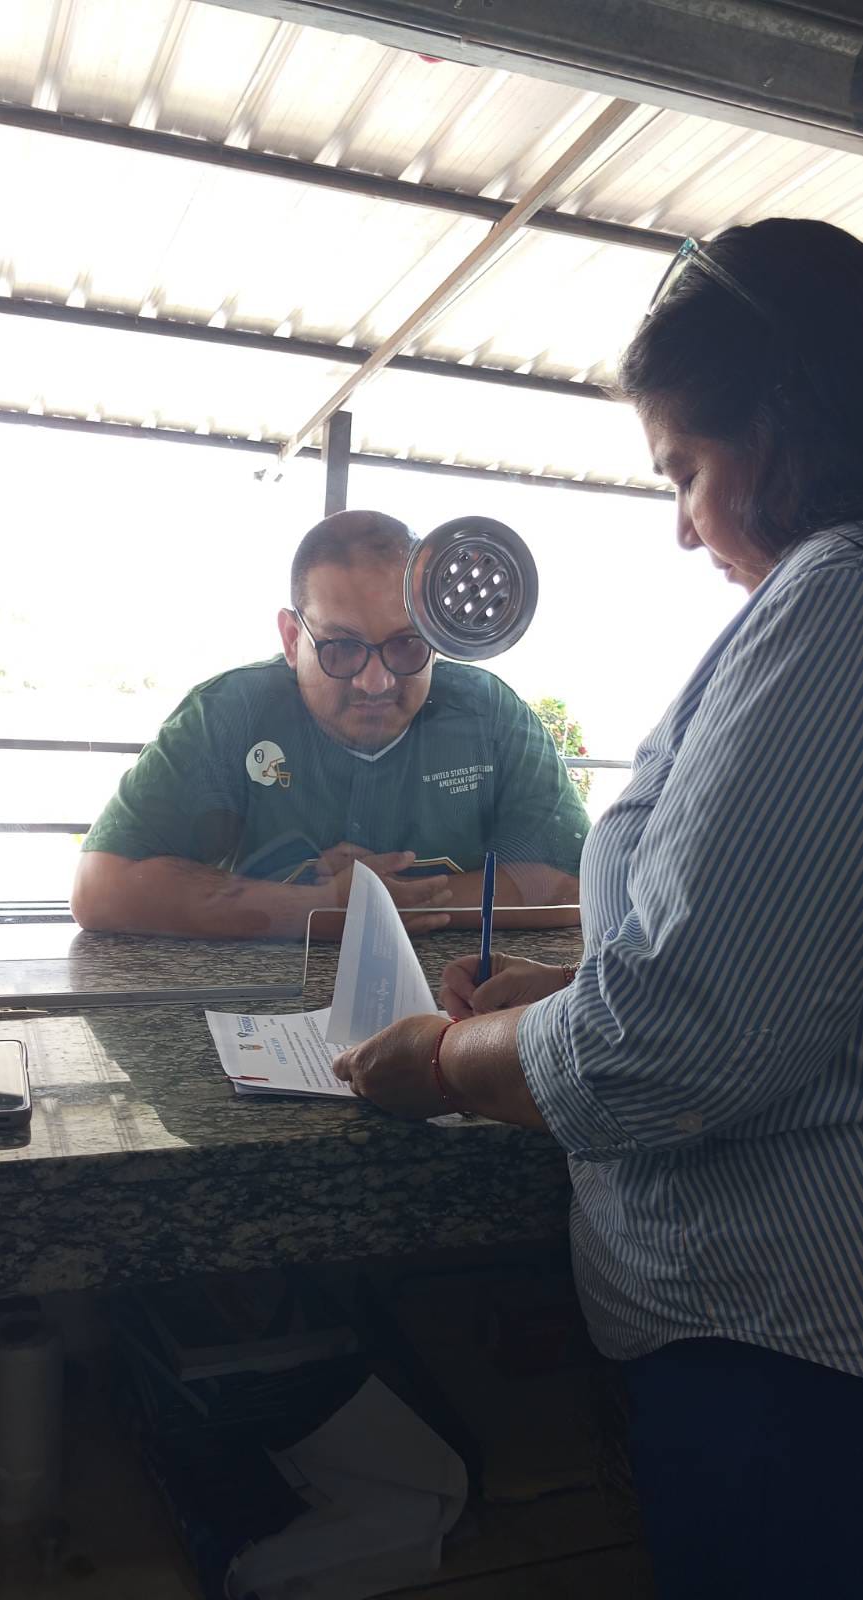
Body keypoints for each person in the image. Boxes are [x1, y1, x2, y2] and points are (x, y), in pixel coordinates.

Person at [332, 219, 863, 1599]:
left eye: (684, 469)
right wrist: (573, 993)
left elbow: (671, 1041)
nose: (682, 524)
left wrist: (446, 1058)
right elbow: (794, 966)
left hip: (786, 1354)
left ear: (786, 422)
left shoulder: (839, 596)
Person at [72, 510, 589, 940]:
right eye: (341, 647)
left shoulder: (489, 714)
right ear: (292, 638)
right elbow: (101, 888)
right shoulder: (229, 714)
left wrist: (374, 907)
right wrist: (318, 906)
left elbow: (576, 884)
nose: (376, 681)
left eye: (406, 644)